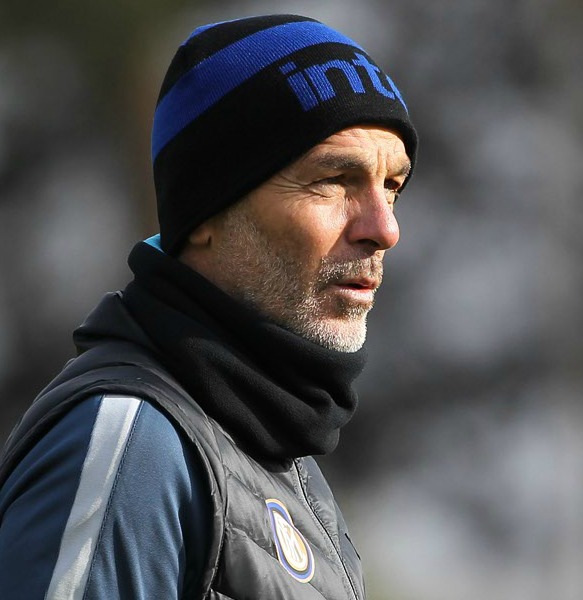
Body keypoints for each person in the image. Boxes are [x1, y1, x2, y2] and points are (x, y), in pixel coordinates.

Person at [0, 14, 417, 600]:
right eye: (334, 179)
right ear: (206, 215)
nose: (384, 228)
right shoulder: (134, 440)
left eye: (392, 185)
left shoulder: (284, 463)